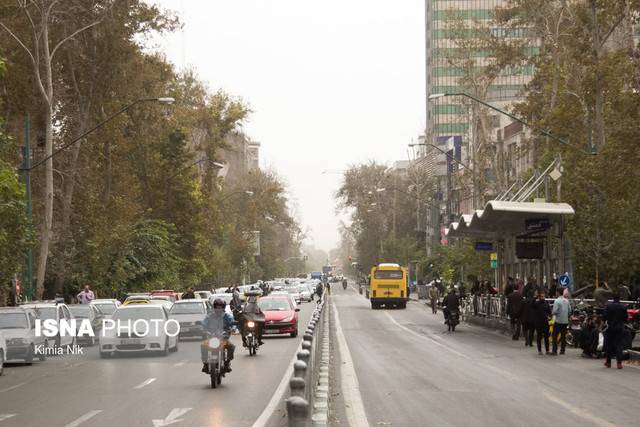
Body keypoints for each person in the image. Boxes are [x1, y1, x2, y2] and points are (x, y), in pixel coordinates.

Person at [201, 298, 235, 373]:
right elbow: (204, 323)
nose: (218, 309)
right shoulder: (210, 316)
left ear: (223, 307)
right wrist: (203, 329)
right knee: (203, 346)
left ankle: (227, 363)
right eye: (217, 307)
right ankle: (205, 364)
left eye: (220, 307)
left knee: (231, 346)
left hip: (223, 338)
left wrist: (233, 327)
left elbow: (232, 322)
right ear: (214, 307)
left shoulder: (226, 316)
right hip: (211, 338)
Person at [602, 292, 627, 369]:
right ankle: (619, 363)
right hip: (620, 328)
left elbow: (604, 317)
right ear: (619, 298)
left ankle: (608, 362)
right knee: (619, 346)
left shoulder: (609, 306)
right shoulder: (623, 307)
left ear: (613, 298)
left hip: (610, 328)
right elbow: (626, 319)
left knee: (609, 345)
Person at [551, 288, 571, 355]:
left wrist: (553, 313)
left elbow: (554, 311)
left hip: (558, 321)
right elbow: (570, 311)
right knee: (563, 336)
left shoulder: (557, 301)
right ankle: (562, 350)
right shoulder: (567, 301)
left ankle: (554, 351)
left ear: (558, 293)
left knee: (554, 336)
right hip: (565, 322)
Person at [532, 290, 551, 355]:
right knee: (539, 337)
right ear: (539, 297)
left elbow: (549, 312)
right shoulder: (536, 304)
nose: (543, 298)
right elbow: (532, 304)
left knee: (546, 337)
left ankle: (547, 350)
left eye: (544, 296)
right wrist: (535, 297)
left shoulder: (546, 304)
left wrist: (549, 317)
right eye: (541, 296)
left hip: (545, 323)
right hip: (538, 323)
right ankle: (539, 350)